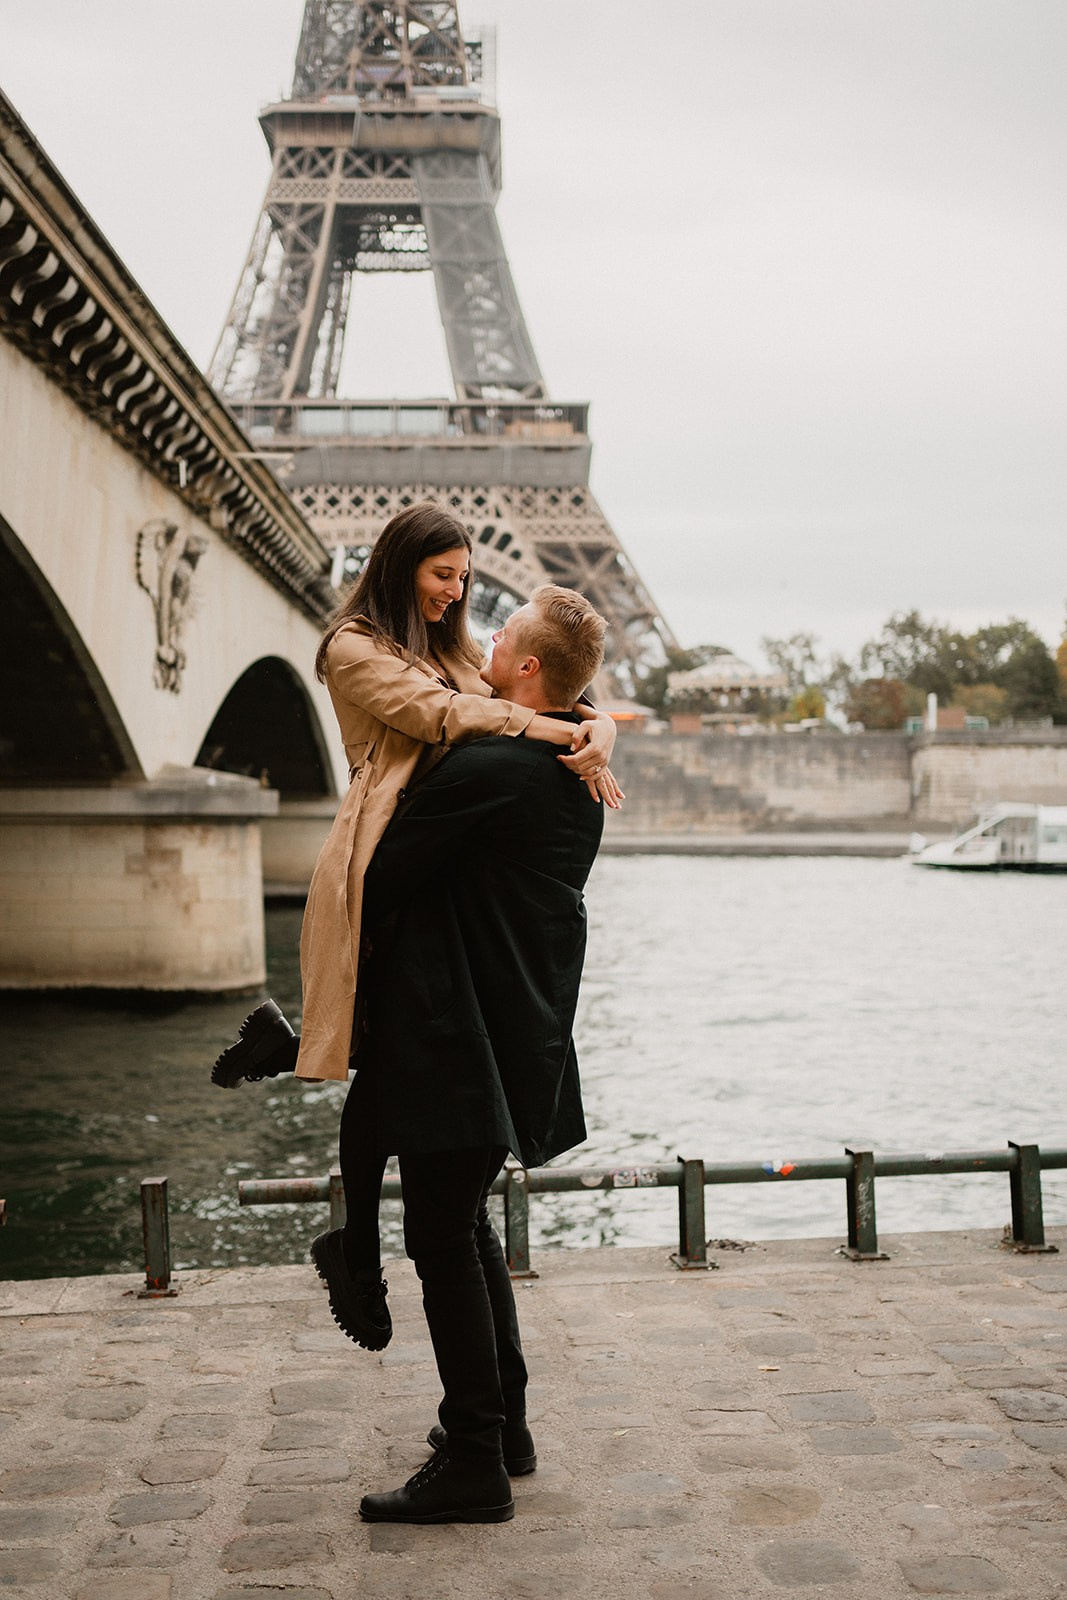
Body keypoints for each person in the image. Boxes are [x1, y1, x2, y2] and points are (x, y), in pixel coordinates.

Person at [212, 504, 620, 1344]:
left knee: (380, 1062)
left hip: (440, 844)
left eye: (467, 576)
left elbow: (538, 675)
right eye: (445, 575)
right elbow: (443, 719)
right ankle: (357, 1248)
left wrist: (596, 722)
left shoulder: (453, 651)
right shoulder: (352, 647)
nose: (461, 591)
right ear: (400, 567)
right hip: (382, 837)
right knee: (383, 1063)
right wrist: (547, 724)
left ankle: (297, 1075)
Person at [313, 584, 609, 1525]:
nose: (482, 637)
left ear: (524, 668)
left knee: (441, 1236)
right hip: (517, 1034)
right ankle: (503, 1429)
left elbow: (389, 864)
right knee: (465, 1227)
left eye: (503, 634)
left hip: (462, 1037)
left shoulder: (495, 769)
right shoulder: (573, 765)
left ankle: (476, 1455)